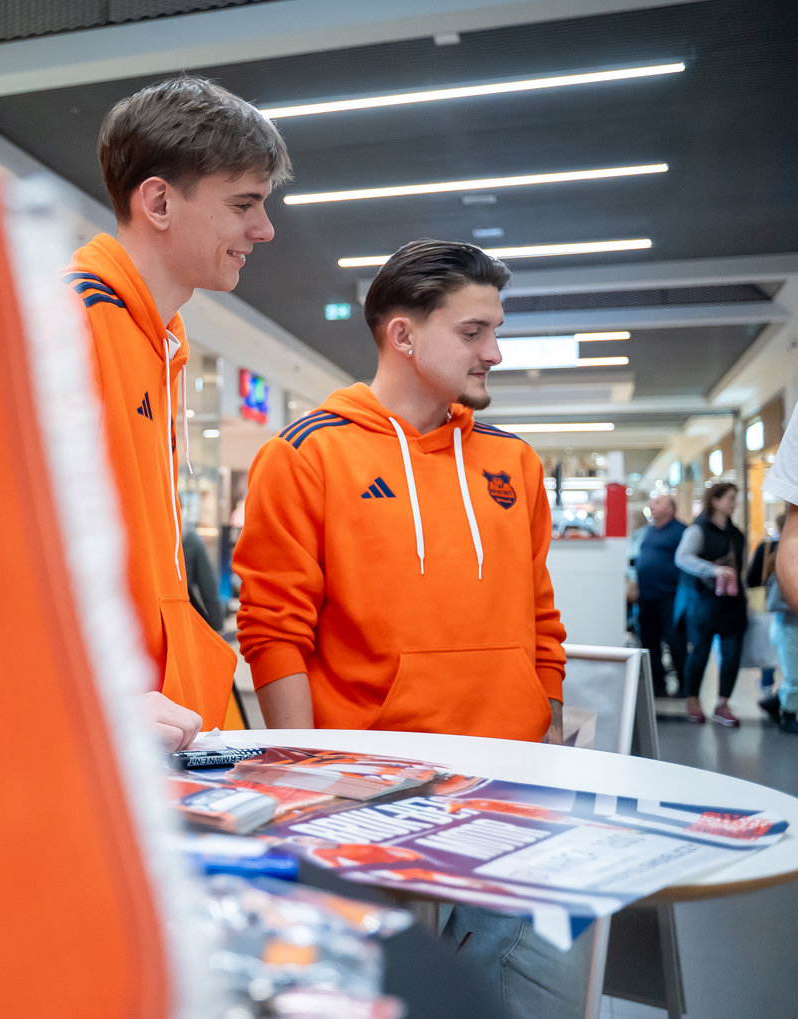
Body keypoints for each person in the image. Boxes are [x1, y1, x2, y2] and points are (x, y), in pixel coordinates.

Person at [232, 238, 583, 1019]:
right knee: (388, 995)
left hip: (509, 787)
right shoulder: (305, 455)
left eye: (495, 330)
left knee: (526, 999)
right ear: (404, 335)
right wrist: (304, 774)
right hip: (375, 793)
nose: (494, 352)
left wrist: (547, 726)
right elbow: (274, 629)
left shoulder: (515, 463)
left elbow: (540, 614)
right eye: (473, 331)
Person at [65, 74, 291, 749]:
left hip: (160, 722)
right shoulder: (64, 324)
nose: (264, 230)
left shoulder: (158, 342)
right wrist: (89, 694)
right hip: (95, 728)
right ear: (159, 201)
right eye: (244, 204)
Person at [674, 481, 747, 726]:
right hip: (704, 603)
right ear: (715, 501)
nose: (734, 503)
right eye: (730, 498)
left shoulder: (736, 534)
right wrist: (713, 570)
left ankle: (723, 704)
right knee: (699, 654)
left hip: (733, 605)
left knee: (732, 655)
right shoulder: (698, 530)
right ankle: (693, 700)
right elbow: (682, 558)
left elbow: (740, 569)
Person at [635, 495, 690, 698]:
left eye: (658, 503)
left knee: (675, 641)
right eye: (651, 502)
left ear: (670, 509)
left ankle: (685, 686)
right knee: (649, 642)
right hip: (647, 597)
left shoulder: (681, 531)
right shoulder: (650, 531)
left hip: (670, 596)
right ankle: (657, 686)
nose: (651, 505)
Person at [750, 512, 798, 732]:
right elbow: (774, 602)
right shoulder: (787, 564)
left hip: (790, 626)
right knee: (793, 676)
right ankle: (788, 715)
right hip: (787, 627)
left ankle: (774, 702)